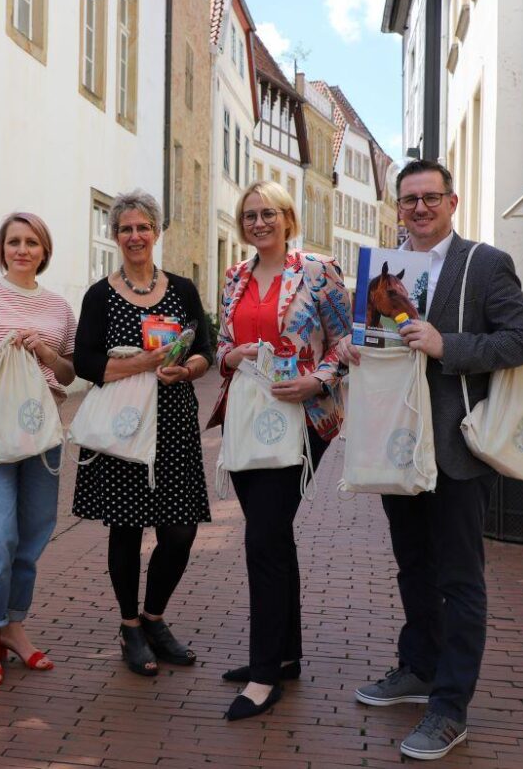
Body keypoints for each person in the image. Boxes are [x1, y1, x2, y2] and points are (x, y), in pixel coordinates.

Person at [340, 159, 523, 760]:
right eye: (409, 201)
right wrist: (361, 348)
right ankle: (419, 666)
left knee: (459, 579)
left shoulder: (484, 263)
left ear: (453, 202)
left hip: (456, 447)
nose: (420, 209)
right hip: (397, 445)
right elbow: (381, 344)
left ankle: (450, 708)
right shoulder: (382, 268)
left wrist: (445, 344)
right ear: (397, 209)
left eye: (431, 198)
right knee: (413, 569)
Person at [209, 180, 351, 721]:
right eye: (250, 215)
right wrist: (233, 353)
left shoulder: (317, 270)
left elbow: (345, 340)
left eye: (268, 213)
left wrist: (318, 381)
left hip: (301, 420)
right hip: (248, 419)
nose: (259, 222)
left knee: (263, 538)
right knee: (274, 537)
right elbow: (223, 345)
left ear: (288, 219)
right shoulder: (235, 276)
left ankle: (264, 673)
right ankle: (285, 655)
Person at [72, 189, 213, 677]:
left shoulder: (182, 289)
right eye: (125, 228)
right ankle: (130, 625)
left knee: (179, 530)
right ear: (116, 236)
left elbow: (206, 347)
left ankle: (154, 618)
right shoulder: (100, 295)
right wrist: (141, 363)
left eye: (143, 227)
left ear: (156, 233)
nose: (135, 236)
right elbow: (86, 363)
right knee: (126, 529)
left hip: (173, 420)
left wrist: (187, 369)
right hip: (123, 422)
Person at [0, 212, 77, 688]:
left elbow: (67, 375)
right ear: (1, 248)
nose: (21, 250)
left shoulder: (60, 309)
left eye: (31, 242)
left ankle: (14, 626)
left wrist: (46, 352)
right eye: (13, 242)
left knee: (32, 537)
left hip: (42, 438)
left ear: (44, 251)